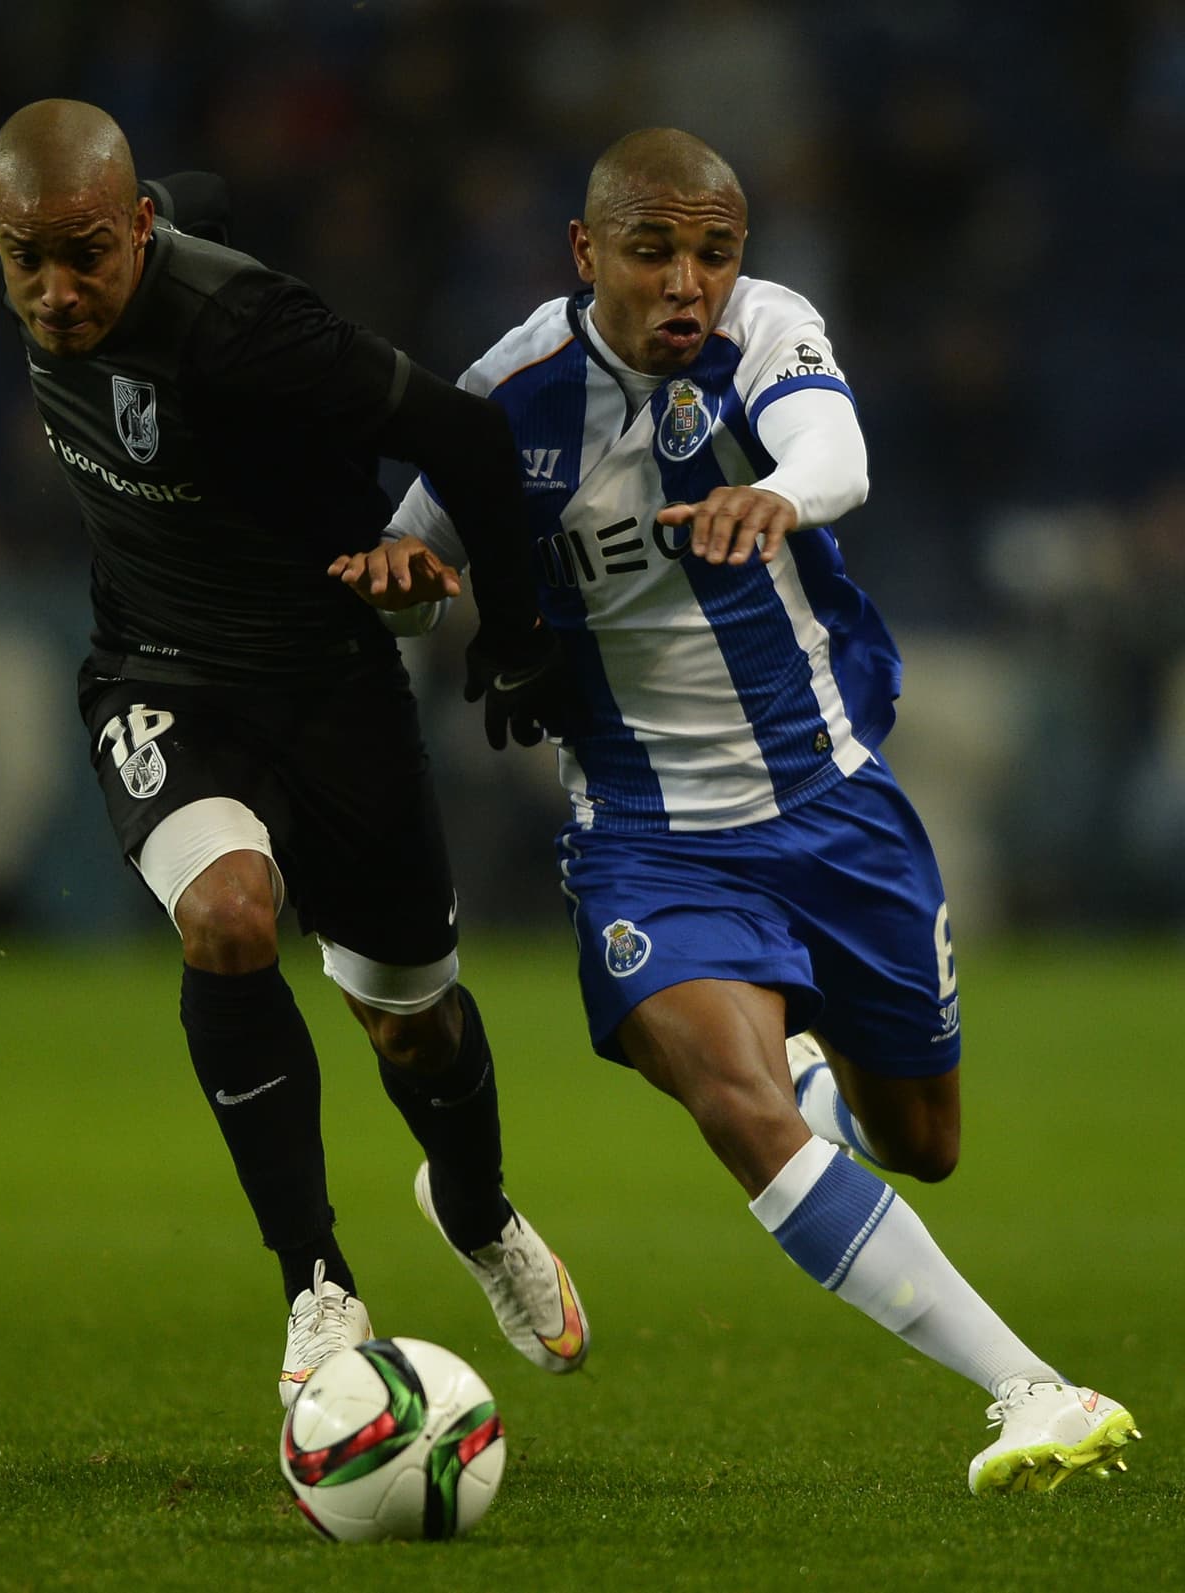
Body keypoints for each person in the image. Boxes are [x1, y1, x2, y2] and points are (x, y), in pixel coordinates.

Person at [332, 127, 1140, 1495]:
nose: (686, 282)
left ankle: (816, 1074)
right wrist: (409, 578)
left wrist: (773, 494)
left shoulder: (766, 327)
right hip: (647, 841)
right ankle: (1035, 1389)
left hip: (834, 806)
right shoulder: (507, 396)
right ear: (586, 253)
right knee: (736, 1105)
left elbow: (837, 450)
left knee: (924, 1145)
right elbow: (419, 552)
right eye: (652, 251)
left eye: (712, 252)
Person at [0, 98, 590, 1407]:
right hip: (158, 677)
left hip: (331, 688)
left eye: (88, 254)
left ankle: (476, 1211)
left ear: (139, 229)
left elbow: (466, 436)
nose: (57, 291)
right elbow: (191, 187)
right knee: (226, 915)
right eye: (28, 257)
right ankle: (318, 1286)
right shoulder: (69, 252)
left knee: (410, 1024)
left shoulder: (248, 329)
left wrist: (519, 636)